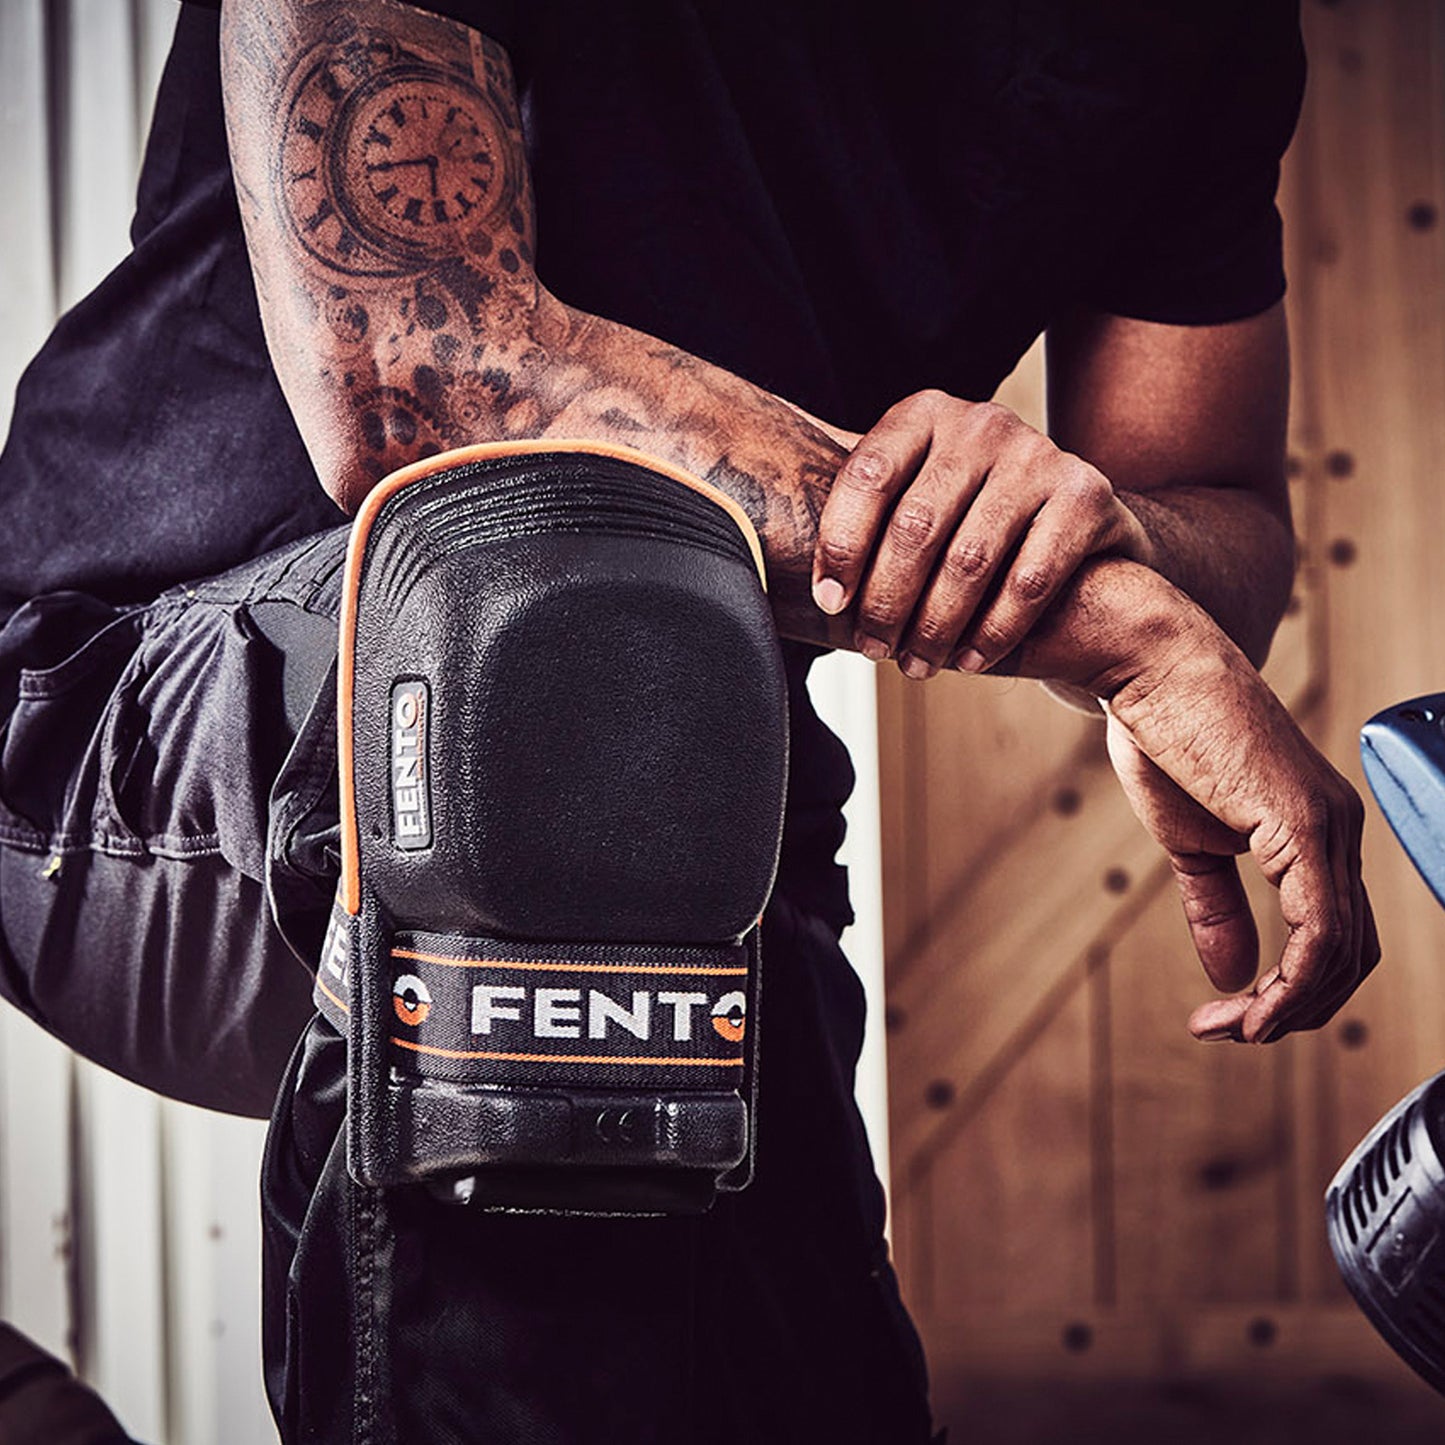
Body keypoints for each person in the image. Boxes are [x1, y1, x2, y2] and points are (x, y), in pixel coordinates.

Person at [0, 0, 1377, 1439]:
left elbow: (1218, 518)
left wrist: (1089, 535)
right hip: (112, 724)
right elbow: (414, 368)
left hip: (672, 794)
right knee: (565, 636)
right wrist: (1113, 625)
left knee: (794, 1381)